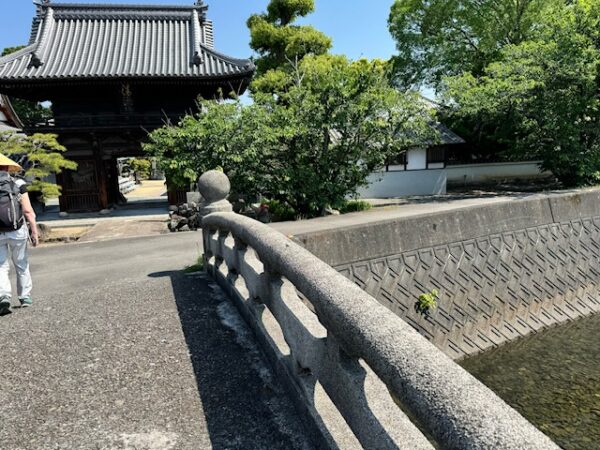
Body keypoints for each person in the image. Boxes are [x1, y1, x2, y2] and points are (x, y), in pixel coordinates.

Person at [0, 156, 38, 315]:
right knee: (21, 263)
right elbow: (28, 211)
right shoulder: (19, 183)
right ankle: (25, 297)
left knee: (1, 266)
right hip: (18, 230)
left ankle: (3, 296)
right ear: (8, 168)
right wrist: (34, 231)